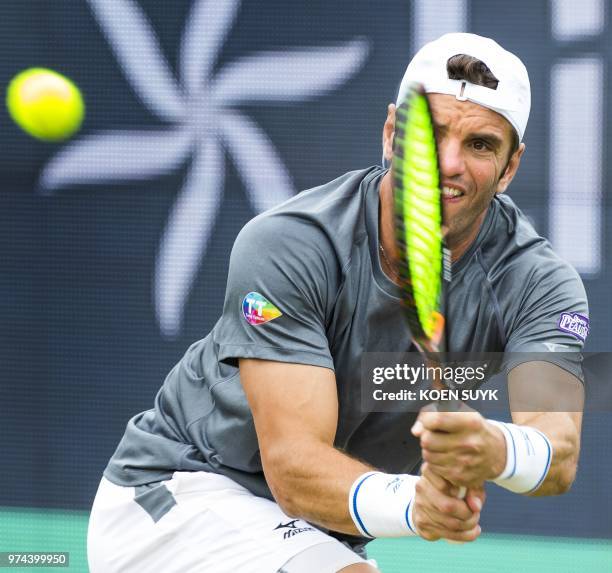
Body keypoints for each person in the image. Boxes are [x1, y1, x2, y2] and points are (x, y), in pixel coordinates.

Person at [87, 33, 588, 573]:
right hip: (176, 499)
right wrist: (415, 504)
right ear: (392, 133)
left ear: (511, 166)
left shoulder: (540, 283)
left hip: (313, 534)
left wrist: (497, 448)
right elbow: (293, 465)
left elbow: (557, 450)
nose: (449, 164)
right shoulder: (290, 243)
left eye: (481, 145)